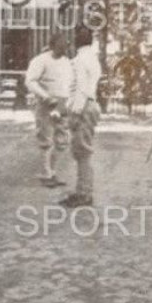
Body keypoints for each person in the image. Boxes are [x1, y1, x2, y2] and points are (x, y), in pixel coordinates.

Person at [60, 26, 102, 208]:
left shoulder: (79, 60)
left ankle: (84, 194)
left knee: (82, 152)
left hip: (83, 106)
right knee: (82, 152)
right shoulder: (92, 58)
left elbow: (81, 89)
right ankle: (82, 190)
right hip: (90, 104)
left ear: (77, 40)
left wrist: (75, 112)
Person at [24, 34, 73, 186]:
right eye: (60, 46)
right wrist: (45, 96)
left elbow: (70, 83)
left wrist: (68, 101)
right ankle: (46, 174)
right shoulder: (40, 60)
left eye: (66, 46)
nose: (64, 48)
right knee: (46, 139)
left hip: (63, 104)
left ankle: (53, 172)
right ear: (52, 45)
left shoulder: (67, 62)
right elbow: (30, 81)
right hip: (46, 104)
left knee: (62, 140)